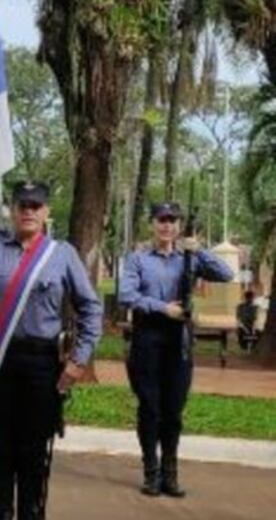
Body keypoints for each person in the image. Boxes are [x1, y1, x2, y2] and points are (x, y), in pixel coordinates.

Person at [0, 182, 102, 520]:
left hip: (41, 363)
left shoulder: (62, 254)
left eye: (36, 205)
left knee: (34, 452)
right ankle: (0, 512)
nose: (28, 210)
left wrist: (79, 360)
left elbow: (91, 307)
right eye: (22, 204)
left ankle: (31, 513)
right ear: (12, 210)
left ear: (47, 212)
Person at [120, 201, 234, 497]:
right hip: (147, 338)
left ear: (180, 225)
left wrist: (199, 250)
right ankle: (151, 473)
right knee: (150, 408)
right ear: (152, 223)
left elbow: (225, 274)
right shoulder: (138, 259)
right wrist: (162, 308)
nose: (167, 225)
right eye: (161, 219)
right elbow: (127, 295)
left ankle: (170, 475)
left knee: (173, 411)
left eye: (172, 220)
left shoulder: (190, 258)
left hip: (179, 342)